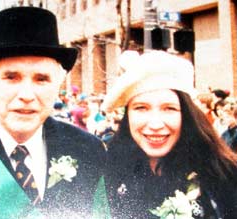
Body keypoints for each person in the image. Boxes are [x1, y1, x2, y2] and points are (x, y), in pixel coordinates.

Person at [0, 7, 106, 219]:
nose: (27, 94)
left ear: (58, 83)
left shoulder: (89, 150)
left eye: (41, 79)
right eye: (11, 77)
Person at [102, 50, 237, 219]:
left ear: (186, 115)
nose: (155, 124)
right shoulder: (107, 172)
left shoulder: (224, 175)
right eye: (141, 108)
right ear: (127, 116)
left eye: (169, 109)